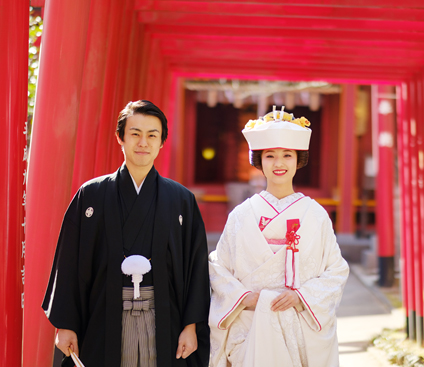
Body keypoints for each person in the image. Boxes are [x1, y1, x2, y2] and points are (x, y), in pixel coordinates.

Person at [42, 100, 210, 367]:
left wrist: (191, 325)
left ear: (162, 142)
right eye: (135, 134)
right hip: (103, 314)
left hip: (165, 317)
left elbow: (196, 267)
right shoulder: (92, 195)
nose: (143, 142)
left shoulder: (181, 200)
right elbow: (69, 263)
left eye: (152, 135)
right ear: (120, 137)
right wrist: (66, 324)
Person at [208, 107, 349, 367]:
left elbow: (336, 270)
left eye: (287, 155)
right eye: (270, 156)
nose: (279, 163)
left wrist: (301, 297)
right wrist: (244, 298)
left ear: (299, 160)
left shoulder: (315, 215)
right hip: (251, 323)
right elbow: (219, 267)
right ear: (259, 161)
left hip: (299, 326)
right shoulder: (241, 215)